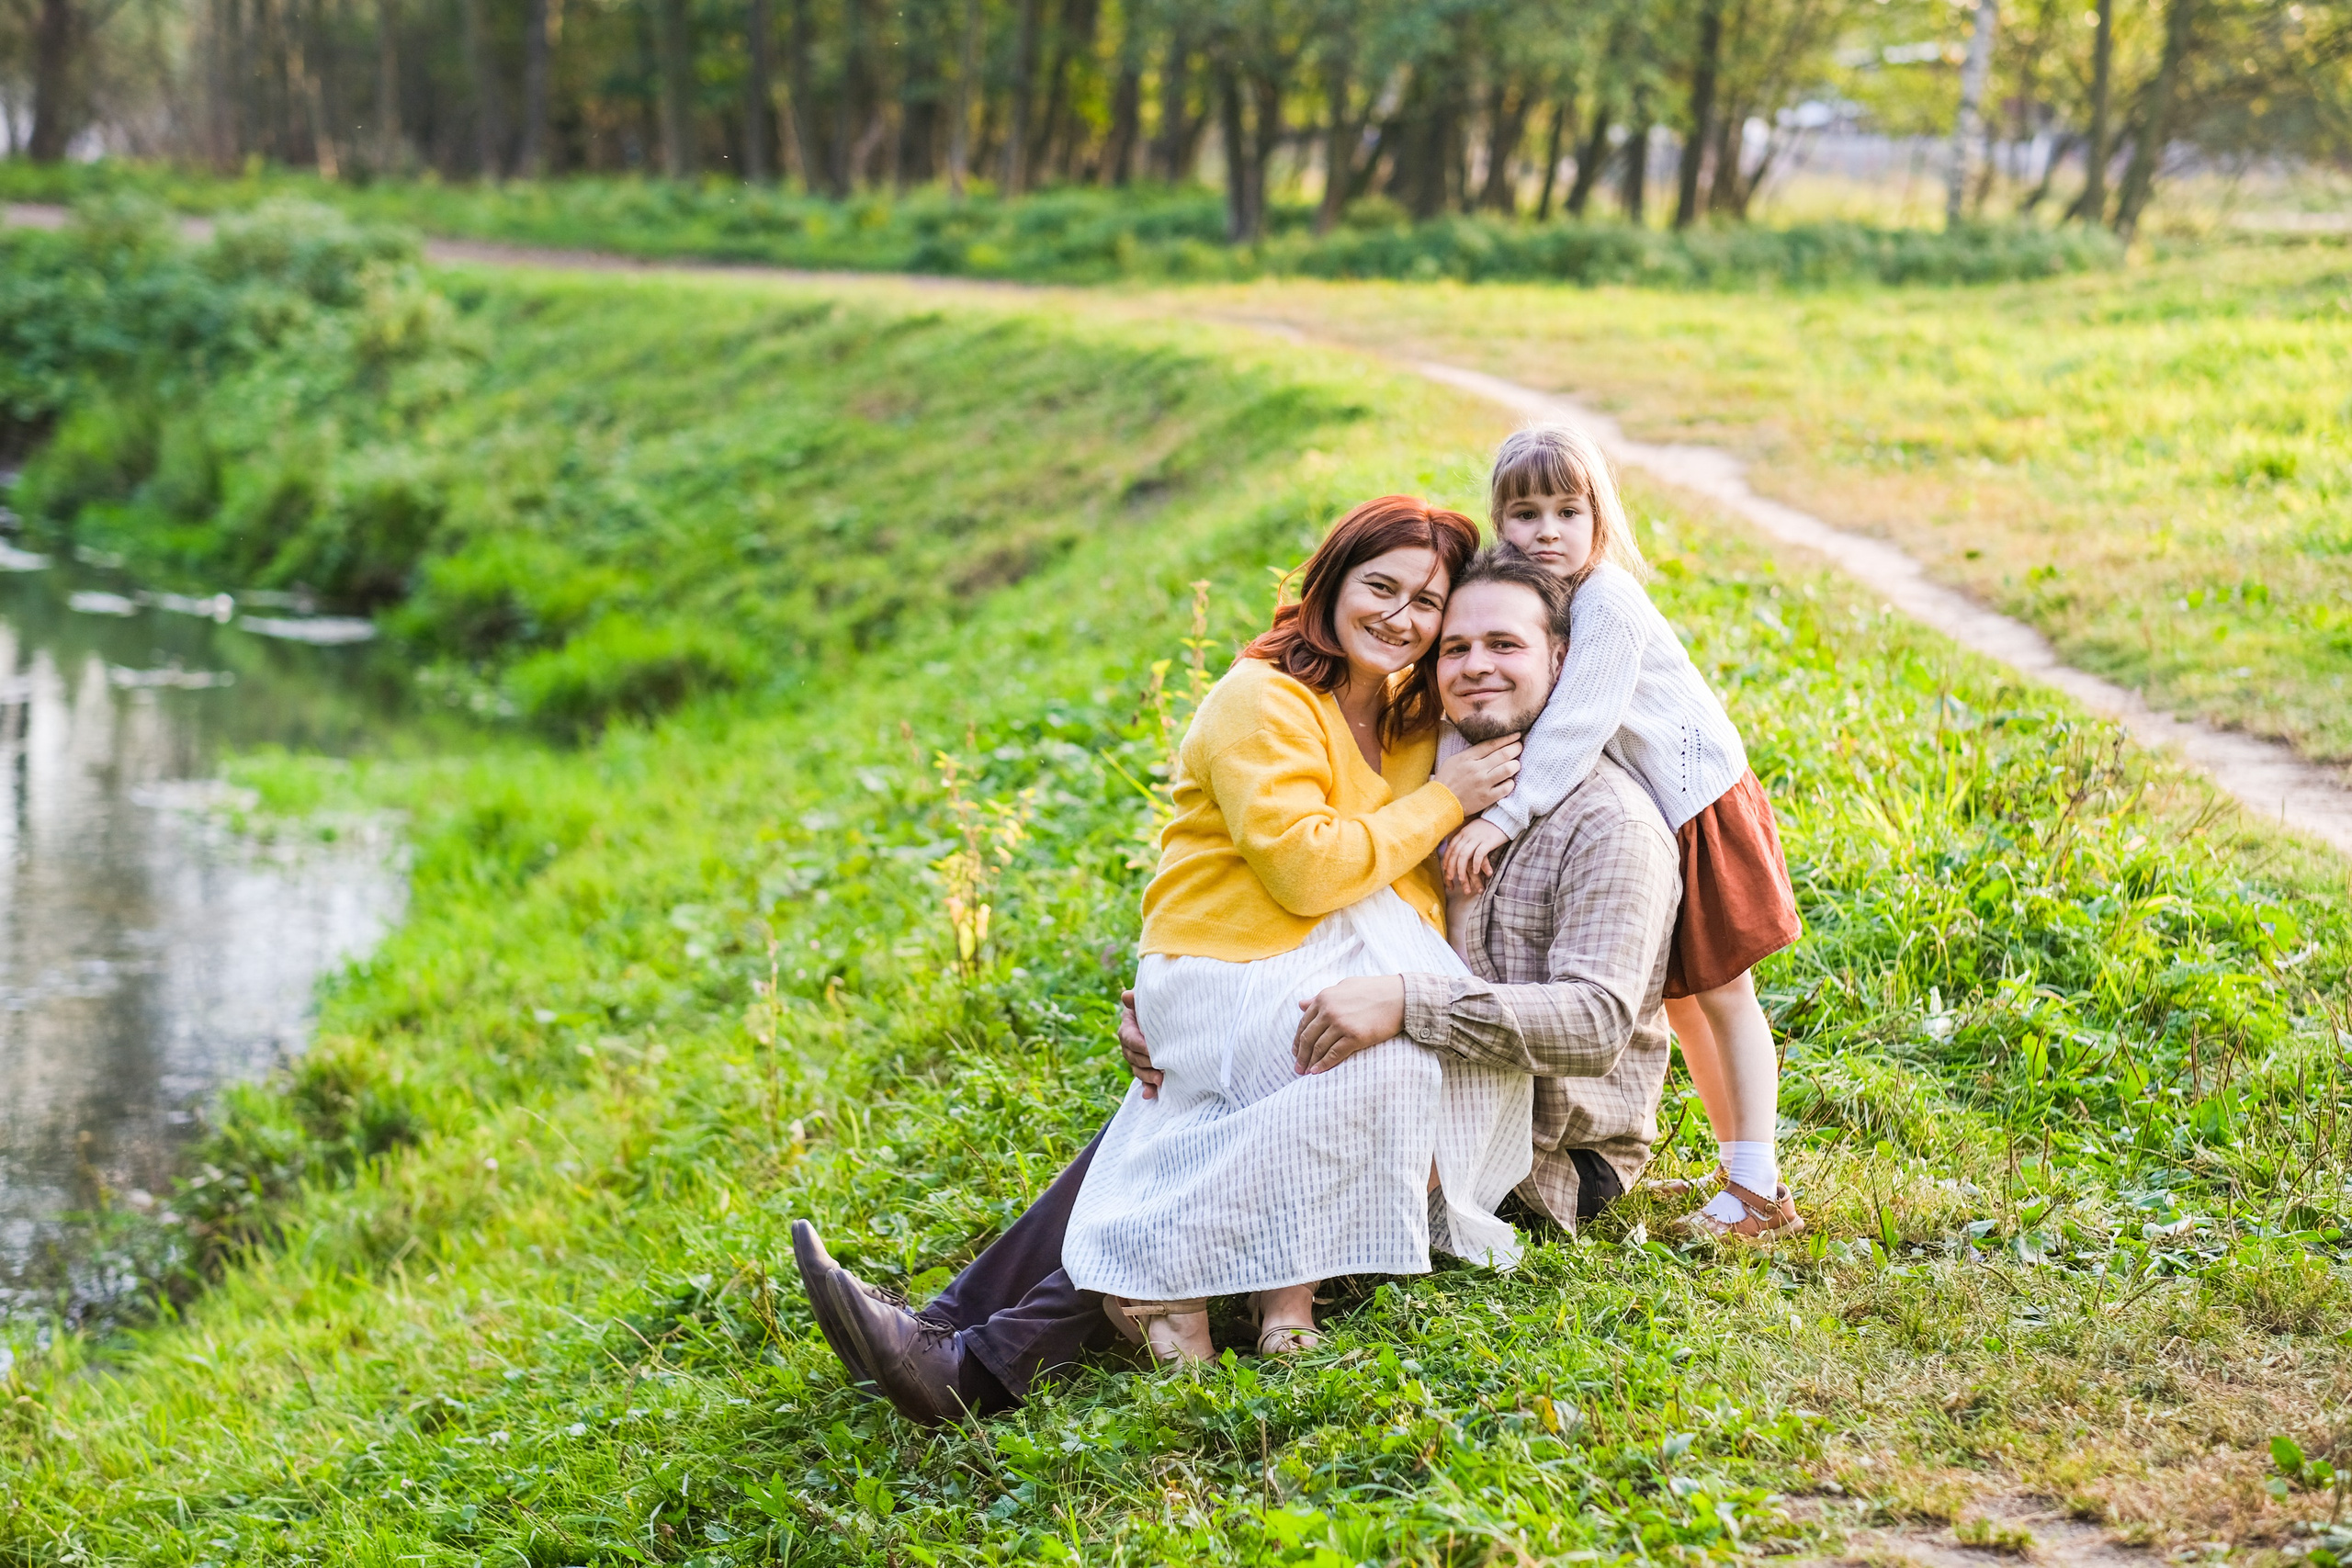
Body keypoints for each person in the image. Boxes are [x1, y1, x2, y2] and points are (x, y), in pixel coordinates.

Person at [791, 548, 1684, 1425]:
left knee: (1280, 1096)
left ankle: (975, 1367)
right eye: (1455, 648)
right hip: (1441, 1066)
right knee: (1210, 1079)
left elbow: (1594, 1023)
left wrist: (1406, 1003)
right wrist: (1188, 1002)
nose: (1474, 666)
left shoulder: (1605, 822)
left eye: (1506, 646)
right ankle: (946, 1319)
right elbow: (1329, 894)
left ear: (1562, 661)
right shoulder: (1444, 774)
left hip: (1542, 1144)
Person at [1059, 494, 1531, 1366]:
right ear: (1329, 581)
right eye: (1379, 586)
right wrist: (1446, 802)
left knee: (1431, 1064)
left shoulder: (1405, 708)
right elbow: (1309, 871)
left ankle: (1271, 1288)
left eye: (1427, 603)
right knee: (1380, 1063)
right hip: (1229, 961)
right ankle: (1171, 1271)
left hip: (1328, 952)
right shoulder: (1261, 698)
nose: (1400, 617)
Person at [1440, 424, 1804, 1240]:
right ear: (1500, 523)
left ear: (1599, 518)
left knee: (1724, 994)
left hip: (1698, 801)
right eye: (1525, 514)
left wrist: (1501, 813)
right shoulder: (1542, 599)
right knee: (1679, 1001)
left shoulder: (1608, 598)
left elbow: (1576, 722)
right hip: (1657, 809)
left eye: (1569, 511)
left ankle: (1759, 1186)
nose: (1547, 532)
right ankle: (1733, 1164)